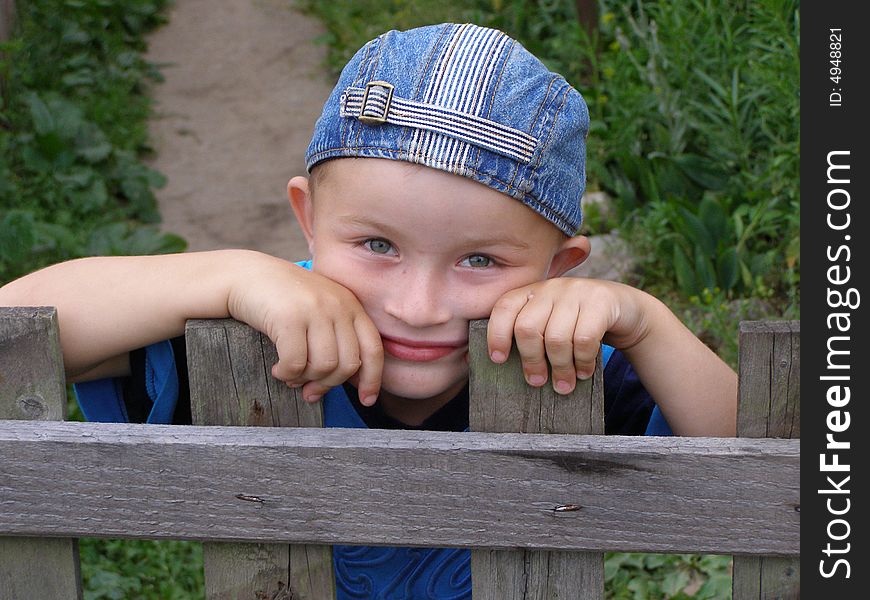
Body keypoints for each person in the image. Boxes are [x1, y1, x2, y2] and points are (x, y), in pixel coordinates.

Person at [0, 23, 736, 598]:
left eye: (480, 260)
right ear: (308, 220)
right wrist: (230, 276)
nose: (417, 306)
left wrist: (643, 322)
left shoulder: (560, 356)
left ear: (559, 268)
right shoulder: (258, 330)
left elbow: (778, 466)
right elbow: (17, 324)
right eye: (376, 243)